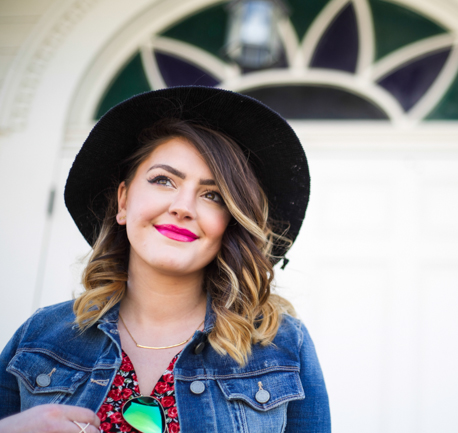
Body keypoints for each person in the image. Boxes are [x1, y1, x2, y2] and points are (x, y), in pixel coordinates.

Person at [0, 87, 330, 433]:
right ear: (124, 201)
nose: (183, 207)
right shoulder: (40, 336)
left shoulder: (282, 345)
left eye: (212, 195)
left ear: (231, 221)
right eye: (163, 180)